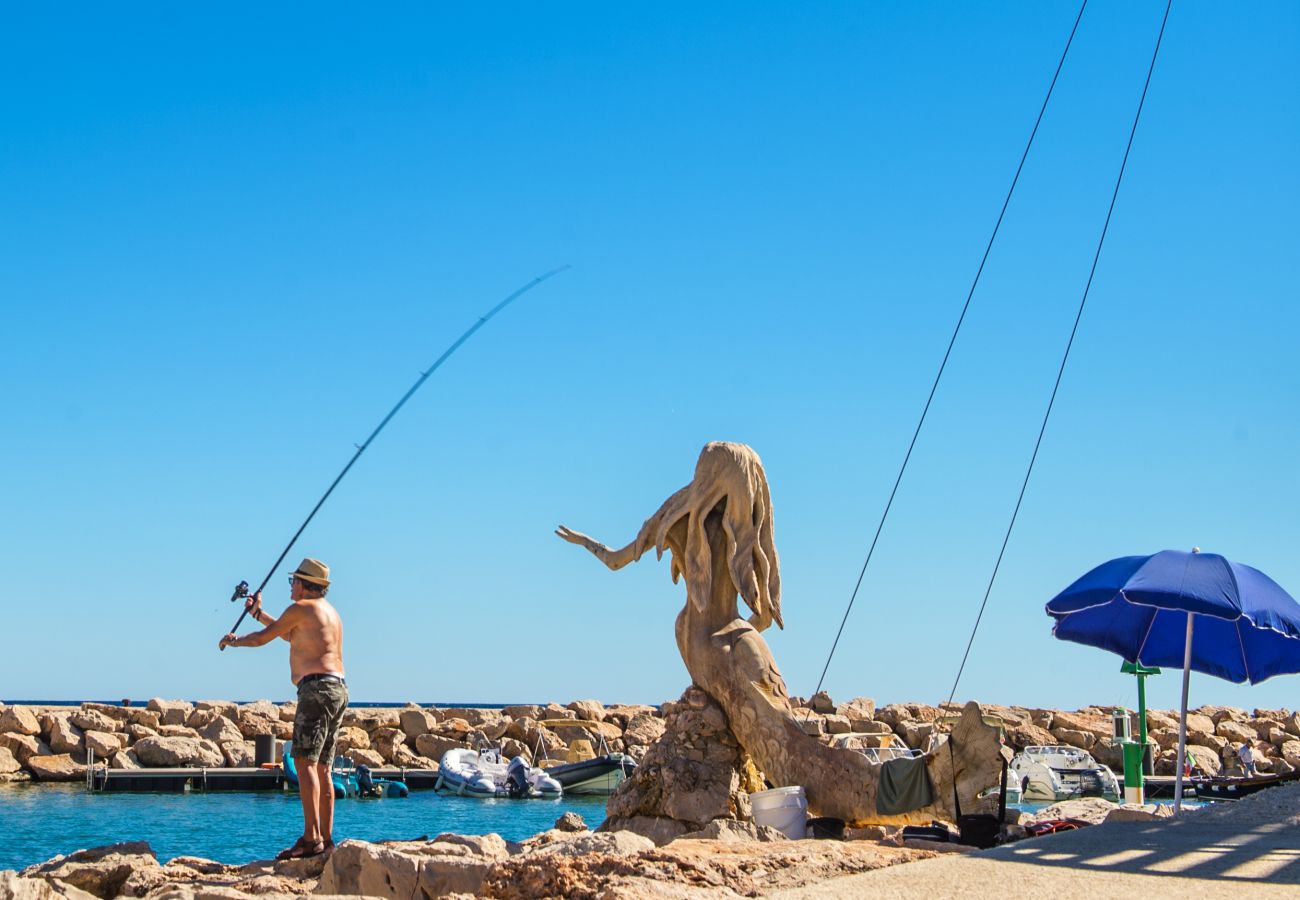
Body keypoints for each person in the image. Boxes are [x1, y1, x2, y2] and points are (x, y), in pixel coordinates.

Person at [220, 558, 347, 860]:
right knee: (322, 768)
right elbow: (289, 633)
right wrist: (258, 613)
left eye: (293, 582)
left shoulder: (301, 608)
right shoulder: (328, 613)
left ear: (304, 584)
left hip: (315, 690)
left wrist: (234, 642)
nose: (291, 587)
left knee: (303, 762)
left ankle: (311, 839)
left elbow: (265, 638)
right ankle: (327, 840)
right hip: (338, 689)